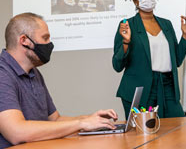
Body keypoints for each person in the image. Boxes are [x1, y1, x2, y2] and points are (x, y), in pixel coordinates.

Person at [0, 13, 118, 148]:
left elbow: (55, 119)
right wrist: (80, 124)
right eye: (45, 38)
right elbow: (16, 132)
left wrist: (88, 119)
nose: (49, 44)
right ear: (24, 40)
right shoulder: (2, 74)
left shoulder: (34, 72)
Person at [112, 0, 186, 120]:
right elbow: (117, 65)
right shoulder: (128, 25)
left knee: (177, 128)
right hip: (140, 90)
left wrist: (184, 36)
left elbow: (177, 60)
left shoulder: (166, 24)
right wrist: (126, 42)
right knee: (143, 137)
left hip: (167, 86)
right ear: (135, 1)